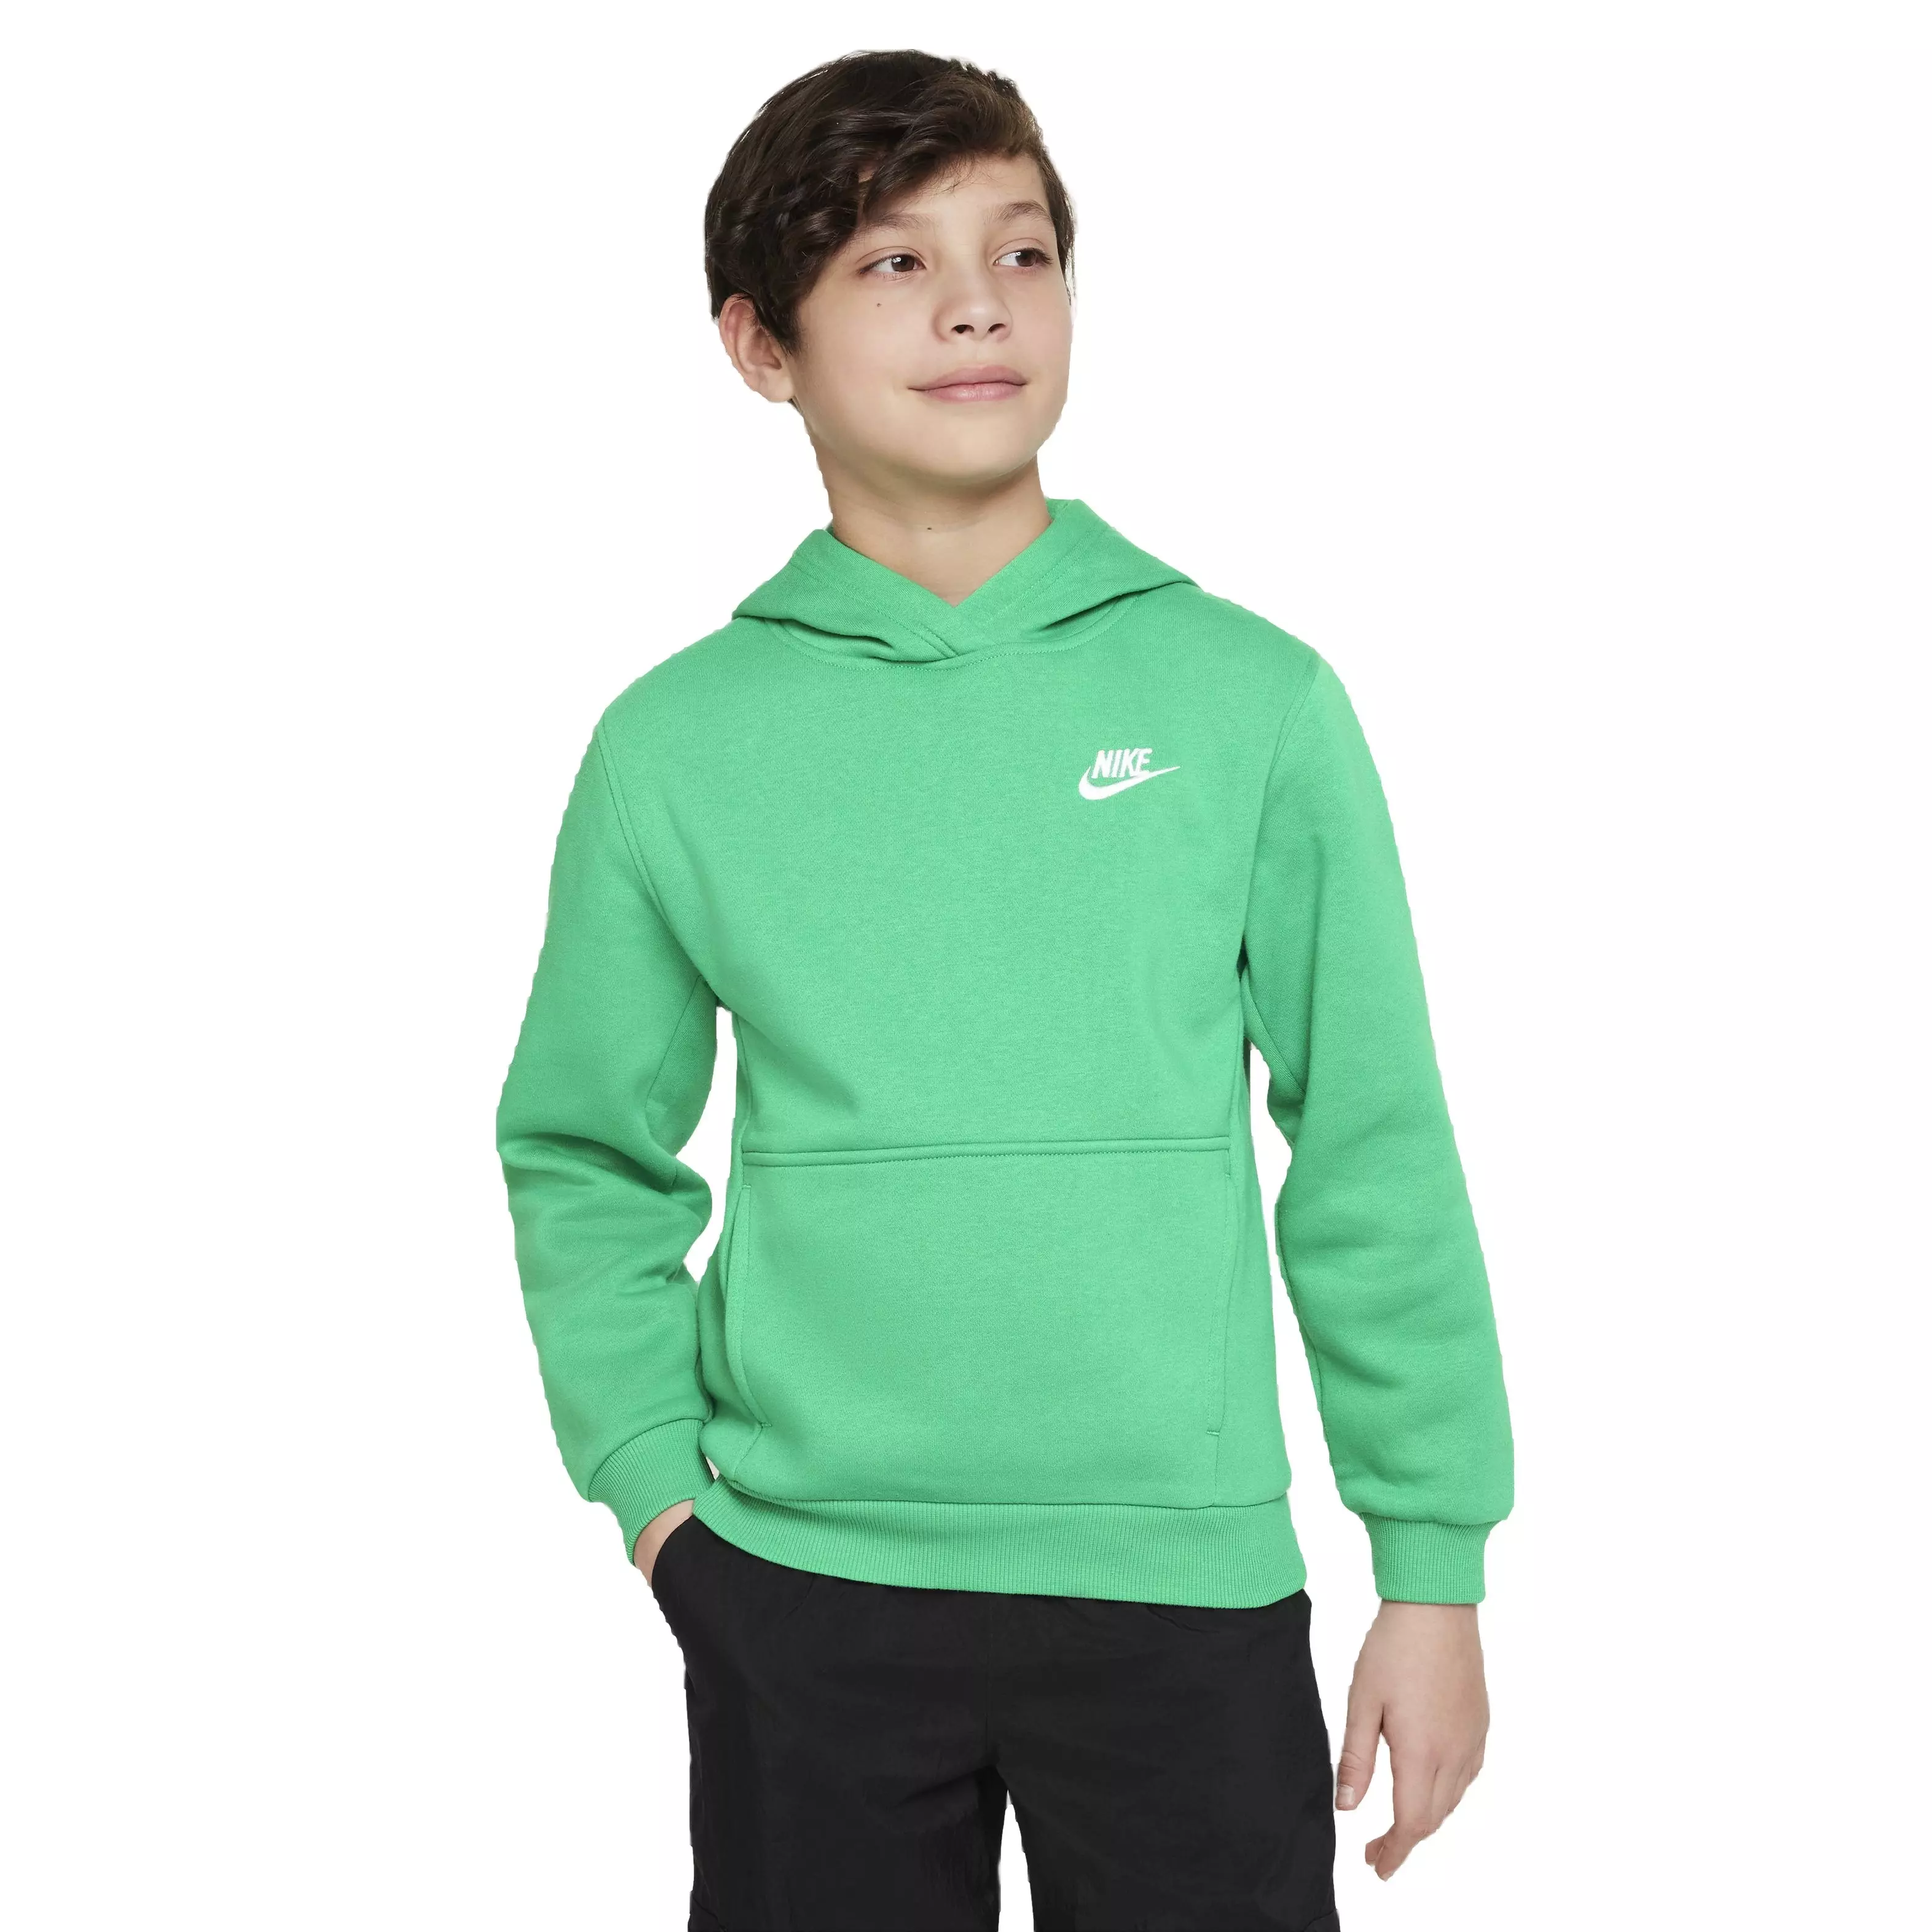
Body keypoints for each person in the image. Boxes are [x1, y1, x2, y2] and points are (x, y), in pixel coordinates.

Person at [497, 48, 1513, 1932]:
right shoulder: (674, 746)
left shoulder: (1249, 700)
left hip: (1180, 1588)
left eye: (1022, 251)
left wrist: (1431, 1563)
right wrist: (658, 1501)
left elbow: (1371, 1139)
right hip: (801, 1585)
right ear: (760, 345)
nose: (980, 303)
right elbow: (582, 1152)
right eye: (896, 262)